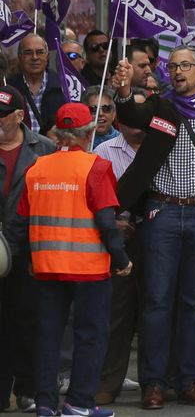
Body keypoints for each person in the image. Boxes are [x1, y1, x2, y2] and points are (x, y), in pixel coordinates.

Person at [109, 47, 195, 410]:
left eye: (184, 65)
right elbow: (131, 113)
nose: (177, 71)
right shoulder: (160, 105)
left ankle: (187, 380)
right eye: (172, 66)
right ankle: (154, 383)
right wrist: (122, 90)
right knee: (157, 301)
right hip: (161, 212)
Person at [8, 103, 132, 417]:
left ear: (58, 133)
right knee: (89, 336)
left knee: (47, 336)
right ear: (88, 132)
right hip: (89, 270)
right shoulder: (96, 167)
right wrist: (121, 260)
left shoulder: (37, 168)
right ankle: (79, 403)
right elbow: (106, 222)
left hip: (46, 269)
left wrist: (27, 261)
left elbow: (21, 223)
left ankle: (46, 403)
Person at [0, 86, 54, 412]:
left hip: (29, 251)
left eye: (2, 115)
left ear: (20, 115)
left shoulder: (44, 149)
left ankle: (28, 388)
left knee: (29, 321)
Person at [94, 106, 144, 406]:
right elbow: (93, 194)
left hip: (154, 233)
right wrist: (113, 224)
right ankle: (108, 382)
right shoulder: (104, 150)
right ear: (120, 122)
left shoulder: (161, 145)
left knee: (156, 309)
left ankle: (155, 381)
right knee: (117, 313)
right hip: (117, 239)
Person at [9, 33, 68, 133]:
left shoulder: (63, 86)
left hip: (52, 147)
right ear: (20, 56)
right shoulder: (9, 87)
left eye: (40, 52)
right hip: (20, 147)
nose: (34, 57)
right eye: (28, 52)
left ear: (47, 56)